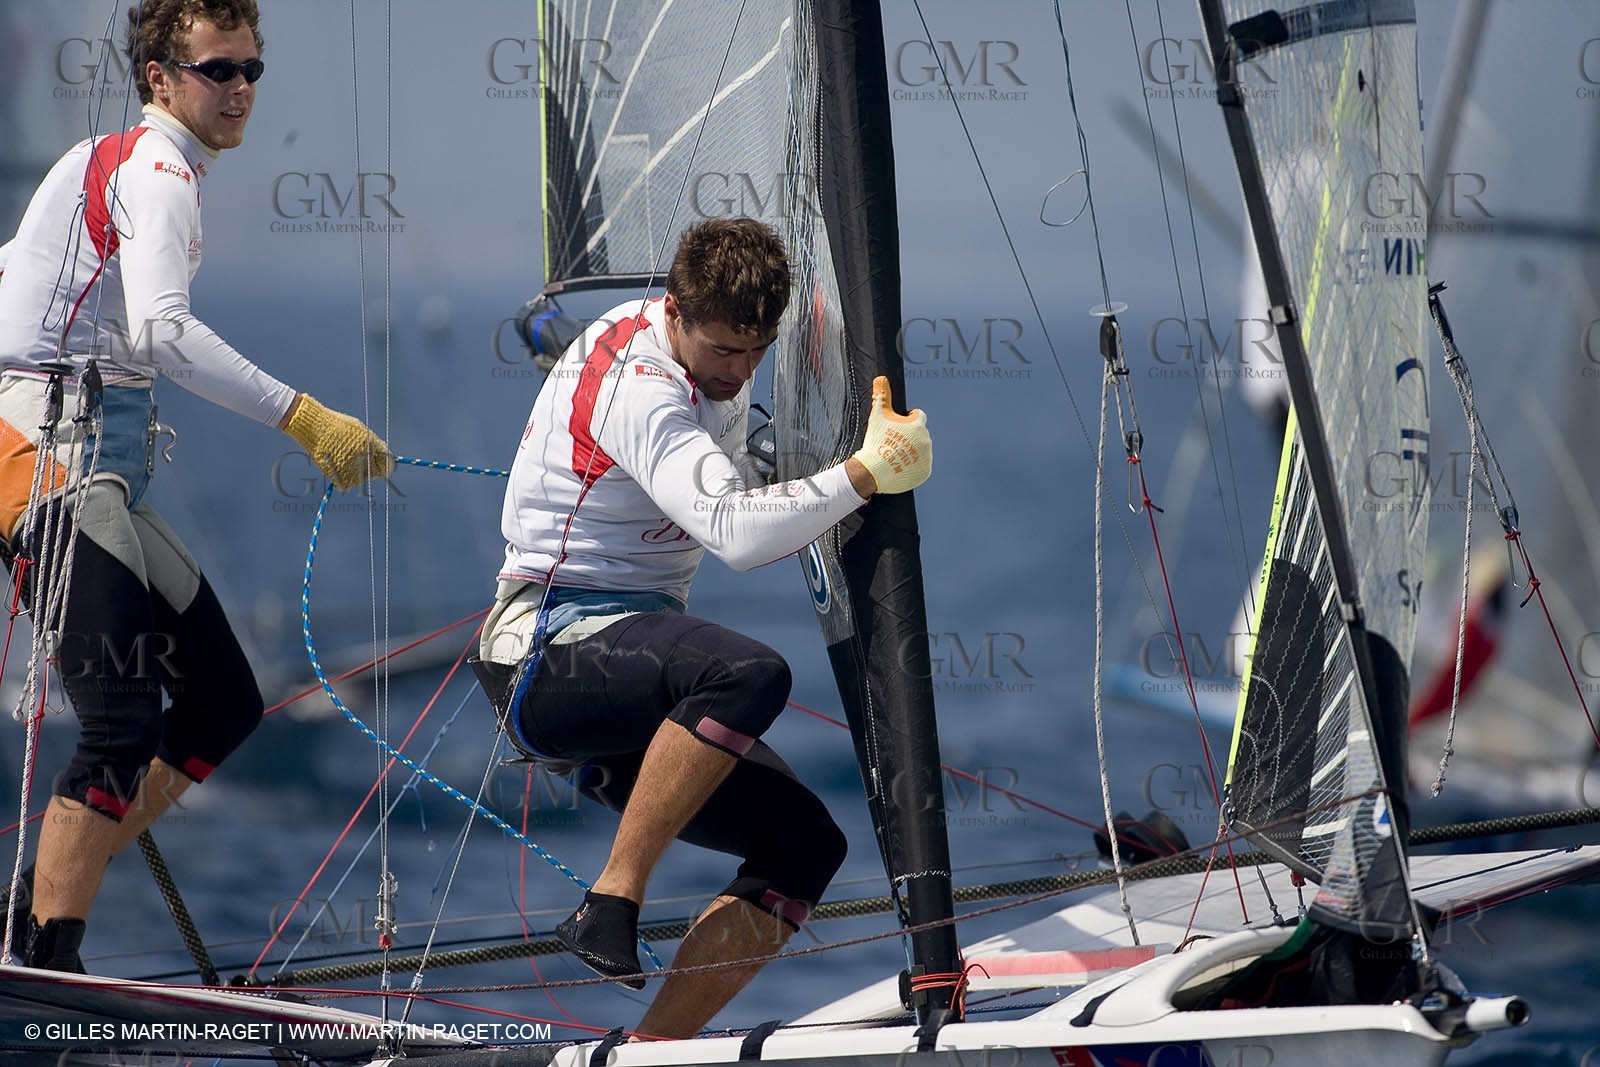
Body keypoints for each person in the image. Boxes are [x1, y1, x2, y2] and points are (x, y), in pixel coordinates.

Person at [0, 0, 392, 970]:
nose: (241, 88)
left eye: (253, 69)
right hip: (41, 456)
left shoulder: (129, 162)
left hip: (96, 472)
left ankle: (40, 903)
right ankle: (46, 956)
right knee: (121, 719)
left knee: (222, 703)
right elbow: (165, 332)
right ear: (161, 77)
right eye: (219, 70)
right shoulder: (160, 169)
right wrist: (306, 418)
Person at [476, 217, 931, 1039]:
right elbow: (736, 535)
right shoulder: (642, 386)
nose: (740, 371)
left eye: (758, 351)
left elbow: (729, 467)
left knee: (807, 845)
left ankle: (655, 1048)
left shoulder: (710, 364)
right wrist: (866, 472)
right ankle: (609, 900)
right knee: (748, 674)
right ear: (674, 310)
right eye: (724, 350)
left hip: (630, 669)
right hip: (547, 653)